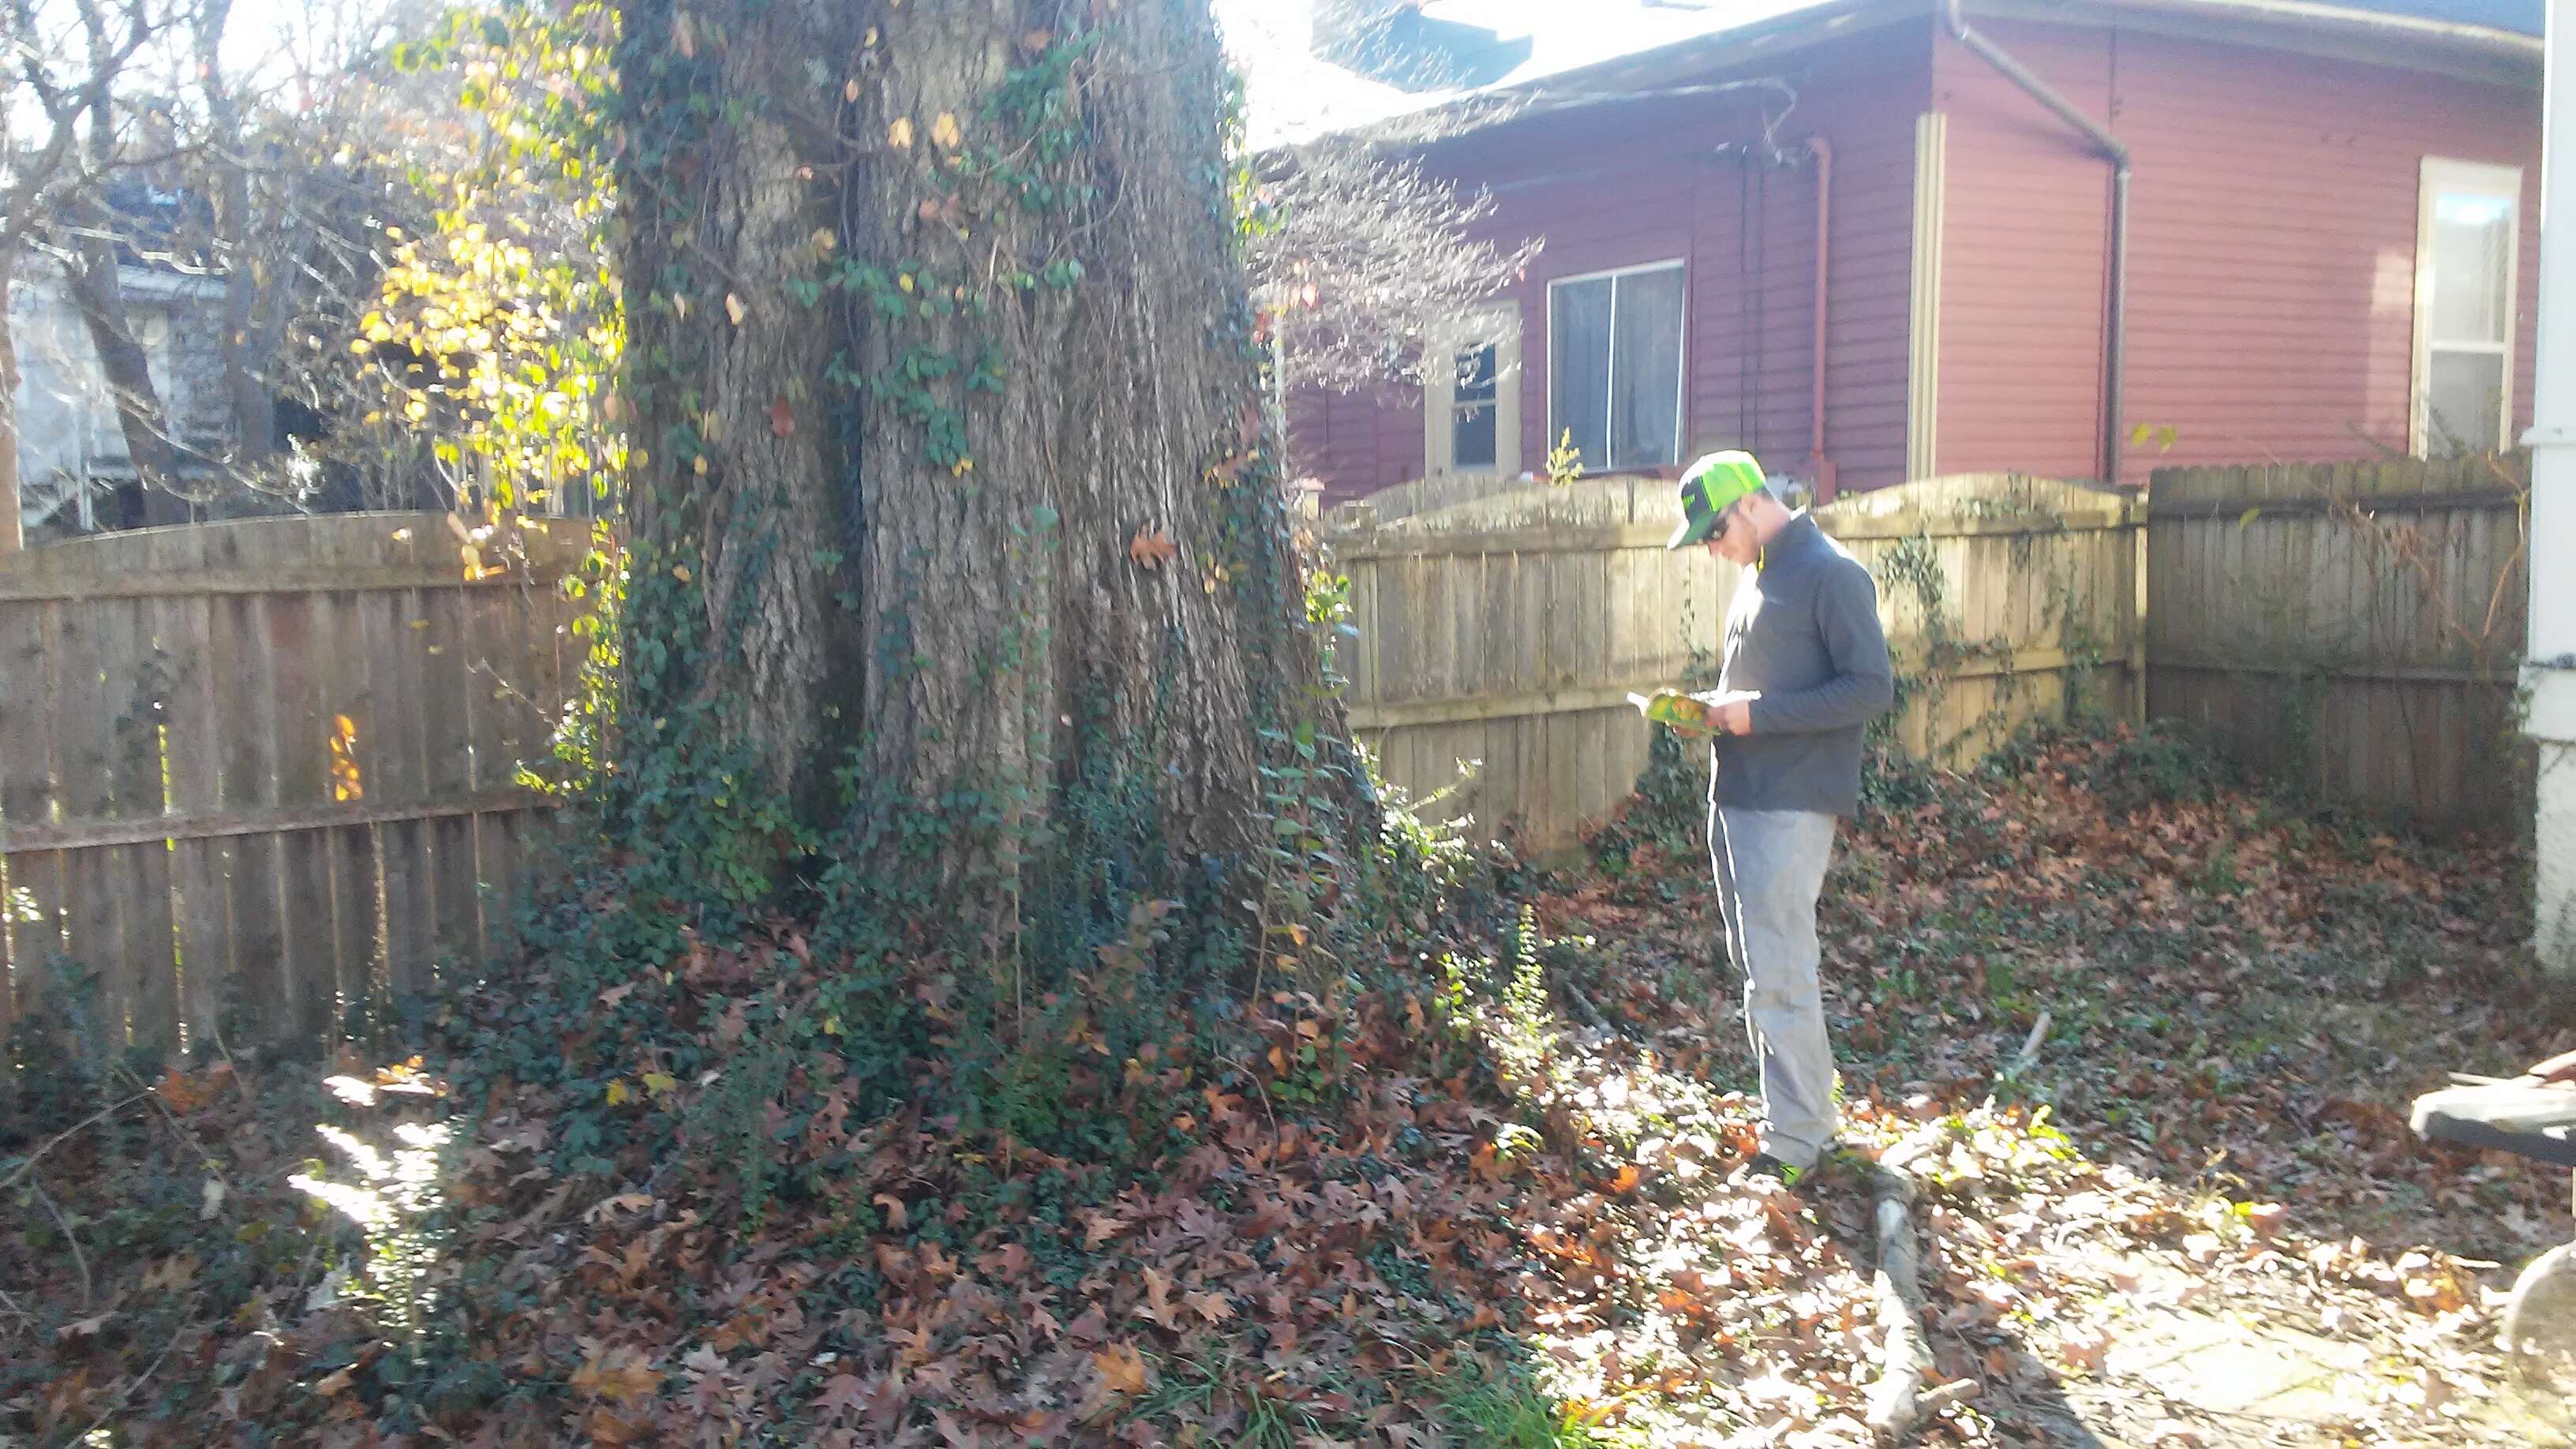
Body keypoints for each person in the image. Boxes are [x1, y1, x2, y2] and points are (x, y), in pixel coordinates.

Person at [1649, 450, 1893, 1184]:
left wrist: (1758, 717)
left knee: (1781, 971)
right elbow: (1758, 692)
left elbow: (1871, 689)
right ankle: (1796, 1116)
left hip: (1790, 804)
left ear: (1752, 504)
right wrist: (1711, 712)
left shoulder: (1831, 574)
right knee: (1759, 967)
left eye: (1715, 531)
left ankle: (1799, 1142)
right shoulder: (1760, 576)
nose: (1712, 548)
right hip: (1739, 799)